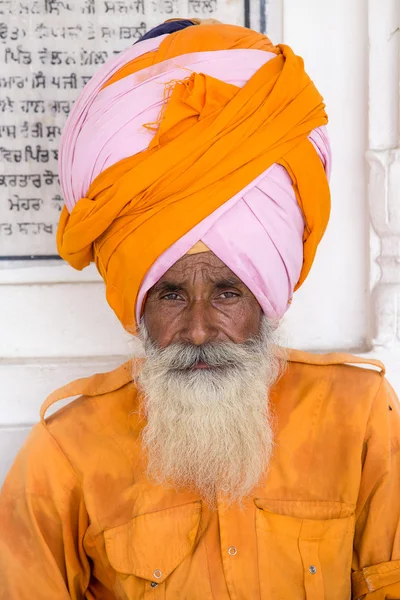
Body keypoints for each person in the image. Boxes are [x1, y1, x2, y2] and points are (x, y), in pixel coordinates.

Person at [1, 18, 399, 600]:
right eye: (169, 293)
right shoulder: (66, 454)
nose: (197, 328)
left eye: (228, 291)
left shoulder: (359, 419)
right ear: (137, 301)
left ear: (267, 295)